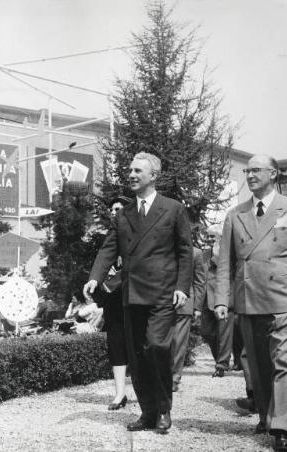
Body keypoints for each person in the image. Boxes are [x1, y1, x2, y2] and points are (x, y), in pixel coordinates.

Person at [215, 154, 287, 452]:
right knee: (260, 367)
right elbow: (226, 261)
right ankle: (266, 416)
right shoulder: (235, 214)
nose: (250, 175)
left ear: (273, 174)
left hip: (285, 299)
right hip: (249, 301)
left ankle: (281, 426)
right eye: (247, 170)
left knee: (284, 363)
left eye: (256, 170)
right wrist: (222, 300)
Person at [84, 152, 192, 434]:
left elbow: (184, 252)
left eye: (137, 171)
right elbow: (109, 248)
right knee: (137, 355)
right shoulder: (124, 214)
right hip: (132, 295)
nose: (131, 175)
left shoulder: (173, 209)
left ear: (153, 175)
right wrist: (95, 278)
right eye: (129, 170)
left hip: (162, 293)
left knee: (156, 347)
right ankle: (148, 412)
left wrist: (182, 286)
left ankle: (164, 408)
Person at [99, 196, 132, 410]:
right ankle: (120, 393)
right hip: (113, 300)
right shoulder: (105, 239)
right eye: (112, 209)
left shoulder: (135, 237)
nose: (114, 211)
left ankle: (146, 391)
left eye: (118, 208)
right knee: (116, 345)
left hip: (135, 299)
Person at [199, 223, 236, 378]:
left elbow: (226, 271)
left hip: (224, 299)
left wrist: (216, 254)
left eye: (212, 236)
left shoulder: (228, 253)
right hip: (207, 299)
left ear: (220, 238)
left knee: (224, 333)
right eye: (207, 236)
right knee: (207, 332)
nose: (208, 239)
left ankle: (222, 365)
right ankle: (220, 360)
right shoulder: (204, 254)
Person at [170, 245, 205, 391]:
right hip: (161, 301)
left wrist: (197, 307)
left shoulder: (196, 253)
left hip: (184, 305)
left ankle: (174, 378)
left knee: (178, 342)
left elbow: (199, 281)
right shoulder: (165, 247)